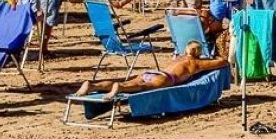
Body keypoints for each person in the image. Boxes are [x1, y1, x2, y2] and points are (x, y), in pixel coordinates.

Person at [72, 40, 226, 100]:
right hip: (165, 78)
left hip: (152, 72)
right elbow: (221, 63)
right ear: (198, 53)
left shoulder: (178, 57)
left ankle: (92, 85)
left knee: (127, 81)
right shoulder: (195, 63)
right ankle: (119, 89)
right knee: (143, 88)